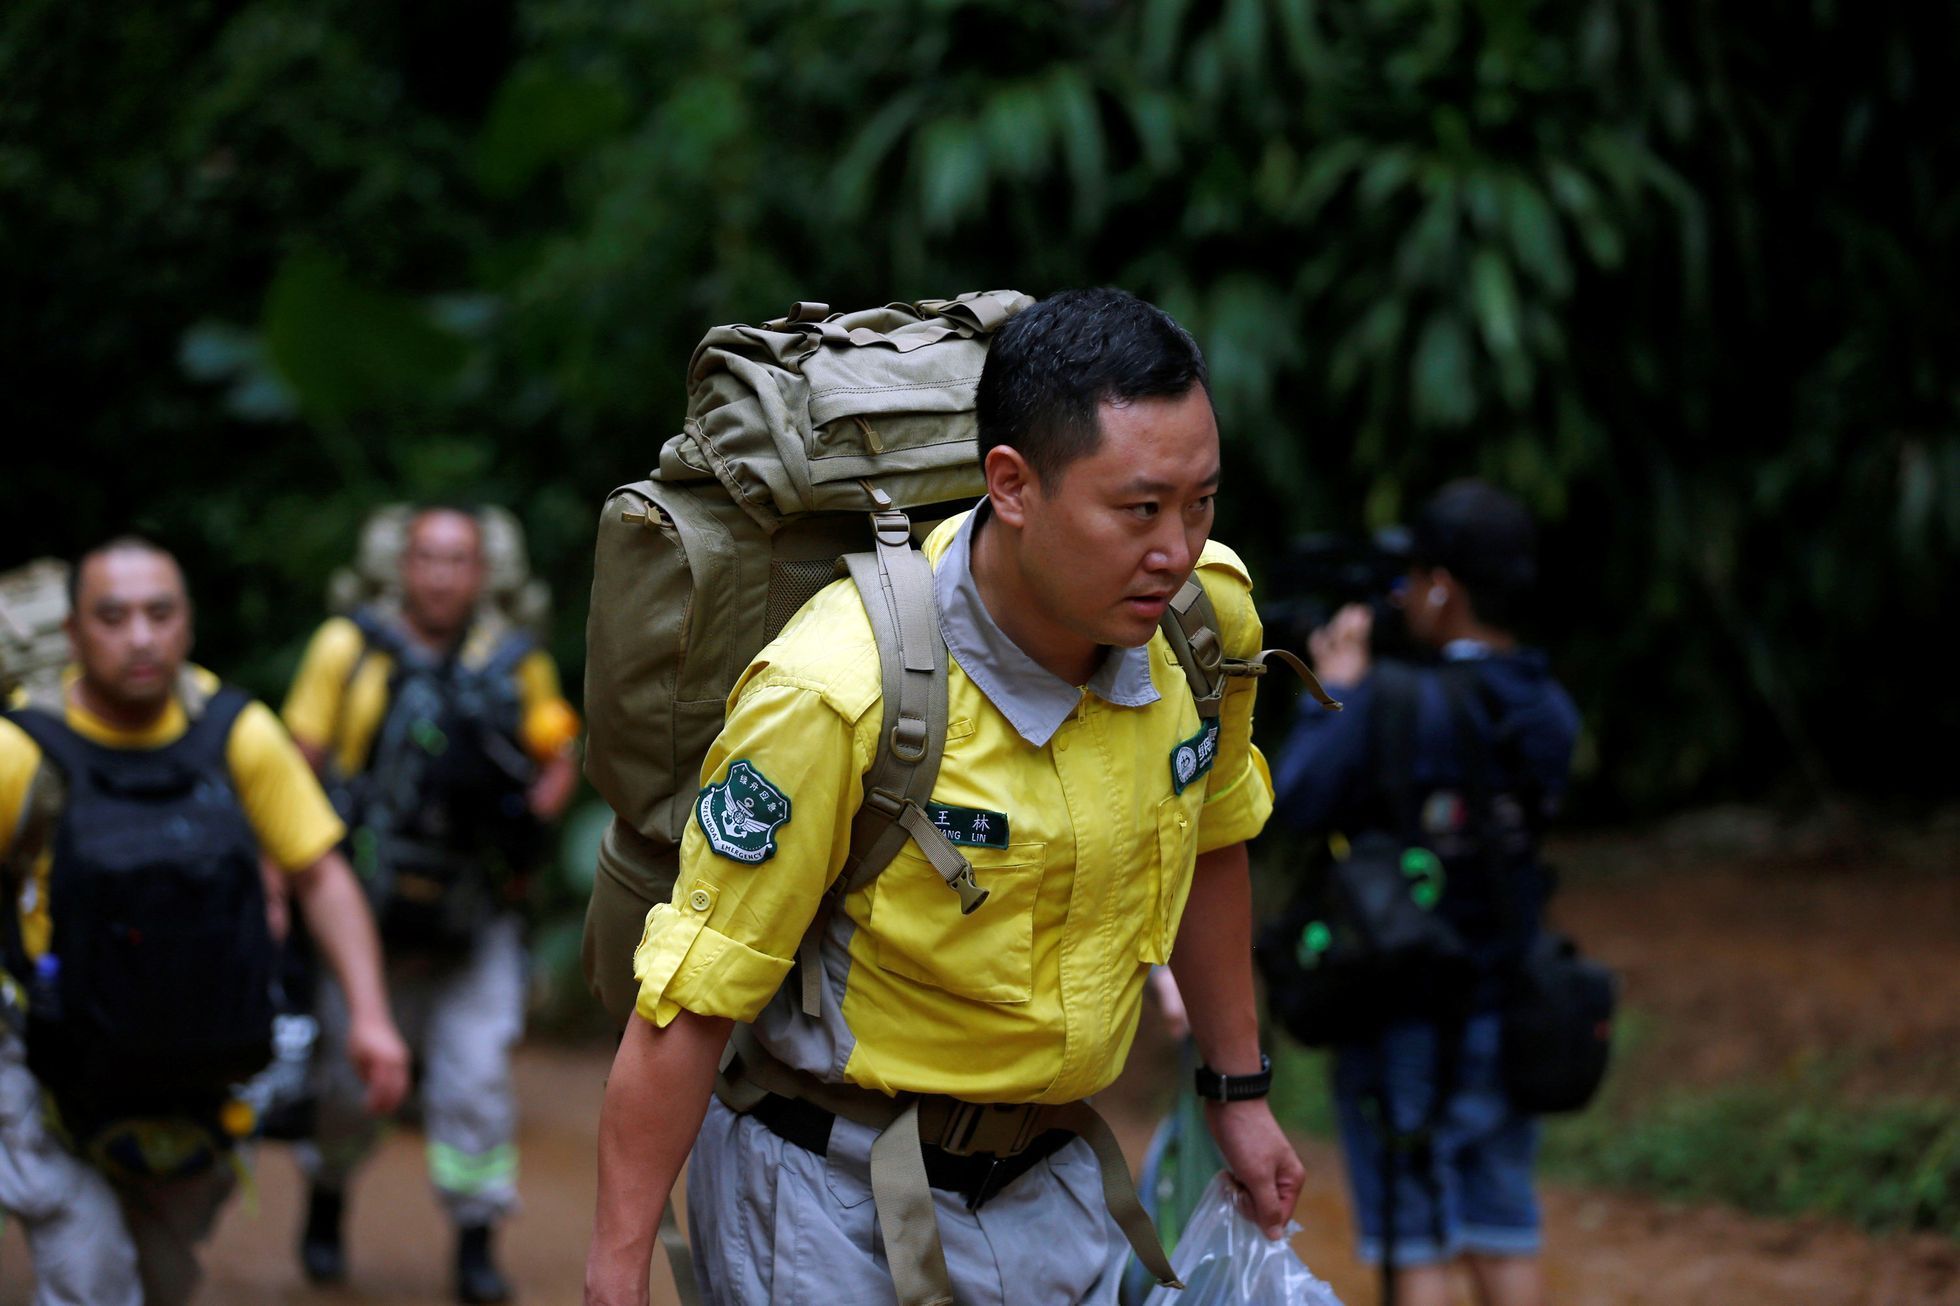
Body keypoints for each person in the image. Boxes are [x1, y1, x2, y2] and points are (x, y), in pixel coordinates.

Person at [584, 288, 1305, 1306]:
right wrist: (615, 1275)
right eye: (1139, 509)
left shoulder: (1202, 627)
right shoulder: (838, 690)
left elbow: (1214, 837)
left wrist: (1236, 1091)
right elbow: (692, 1004)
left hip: (1049, 1182)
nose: (1176, 549)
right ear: (1011, 485)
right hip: (822, 1201)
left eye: (1201, 503)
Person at [0, 536, 410, 1306]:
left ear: (188, 623)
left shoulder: (236, 734)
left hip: (194, 1069)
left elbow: (319, 872)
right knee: (92, 1278)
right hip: (47, 1067)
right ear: (74, 633)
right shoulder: (21, 751)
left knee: (162, 1278)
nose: (141, 637)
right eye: (113, 617)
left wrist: (371, 1015)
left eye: (160, 614)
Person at [1268, 480, 1580, 1306]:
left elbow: (1294, 797)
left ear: (1444, 586)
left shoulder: (1392, 703)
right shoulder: (1549, 705)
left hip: (1405, 1012)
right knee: (1502, 1222)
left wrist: (1335, 689)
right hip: (1506, 997)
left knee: (1418, 1236)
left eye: (1416, 579)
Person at [282, 505, 580, 1304]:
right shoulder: (346, 651)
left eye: (460, 560)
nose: (442, 575)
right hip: (364, 916)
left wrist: (531, 821)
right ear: (400, 565)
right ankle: (328, 1196)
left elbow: (558, 754)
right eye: (428, 557)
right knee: (349, 1088)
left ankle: (477, 1240)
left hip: (473, 912)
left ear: (484, 574)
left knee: (476, 1079)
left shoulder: (515, 662)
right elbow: (291, 766)